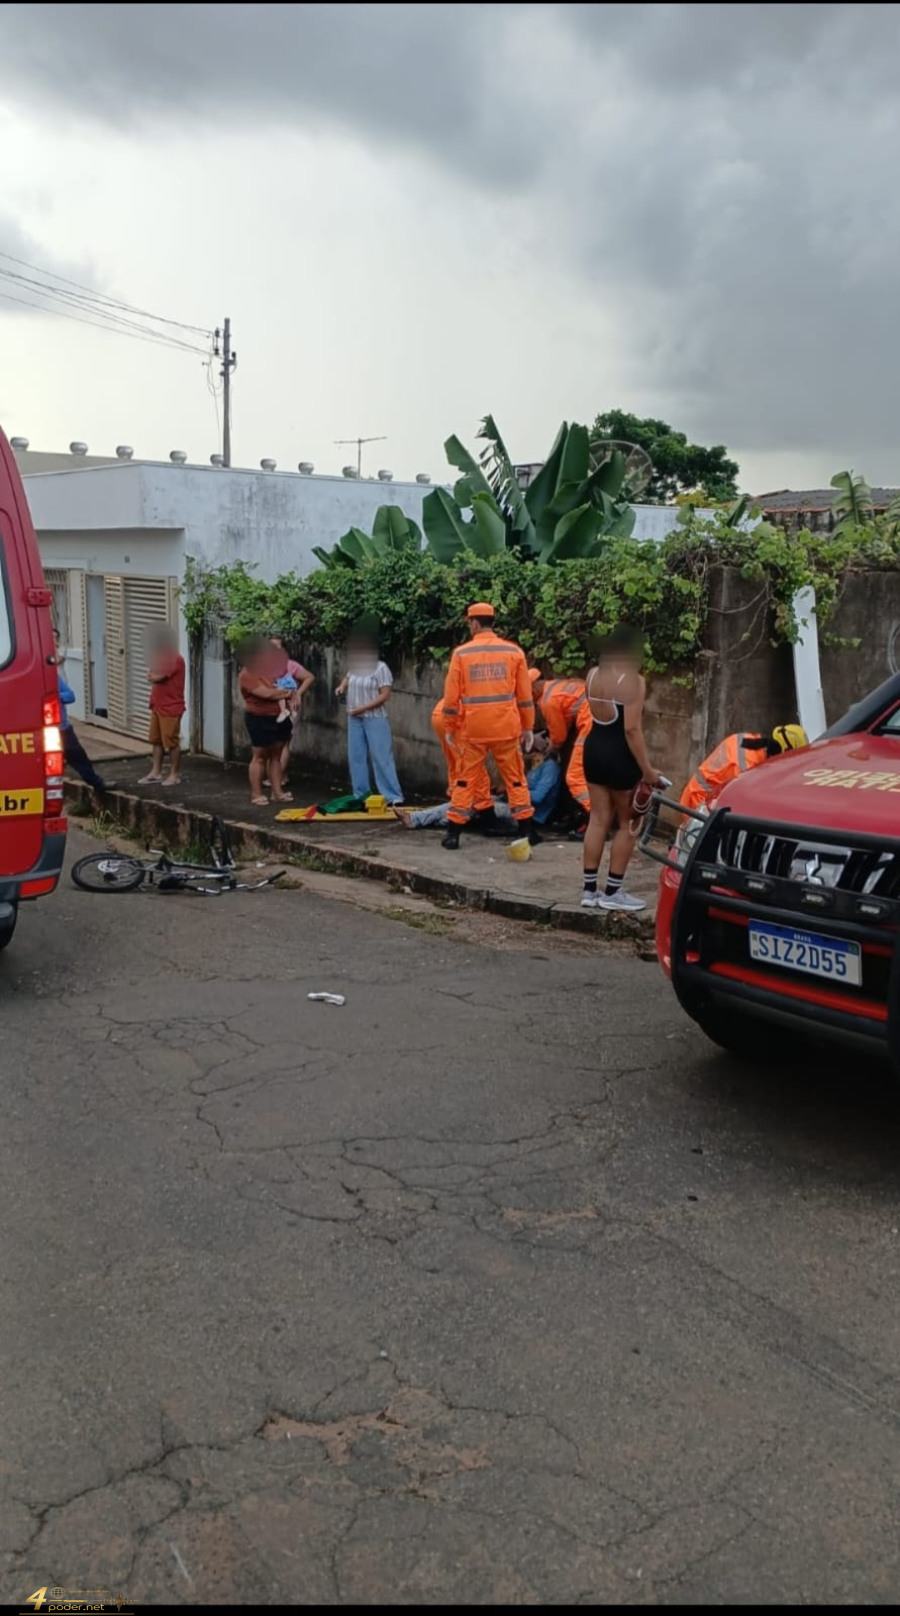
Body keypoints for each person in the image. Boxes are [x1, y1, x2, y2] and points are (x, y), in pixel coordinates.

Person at [440, 602, 538, 851]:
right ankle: (527, 831)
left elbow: (451, 699)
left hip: (473, 729)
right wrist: (528, 727)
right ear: (493, 622)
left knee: (465, 780)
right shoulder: (514, 652)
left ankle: (453, 834)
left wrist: (450, 727)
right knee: (515, 779)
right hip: (506, 727)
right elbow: (525, 696)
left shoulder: (461, 654)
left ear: (474, 623)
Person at [580, 625, 665, 912]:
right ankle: (613, 892)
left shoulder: (592, 675)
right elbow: (631, 729)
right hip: (620, 755)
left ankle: (589, 890)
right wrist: (648, 771)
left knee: (597, 819)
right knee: (629, 824)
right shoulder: (633, 682)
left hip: (593, 750)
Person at [395, 740, 560, 831]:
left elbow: (537, 797)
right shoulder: (532, 765)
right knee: (472, 802)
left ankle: (420, 820)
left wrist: (510, 791)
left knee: (474, 807)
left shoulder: (549, 768)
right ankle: (423, 819)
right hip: (512, 803)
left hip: (527, 815)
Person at [335, 633, 404, 804]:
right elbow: (348, 677)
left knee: (381, 757)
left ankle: (392, 796)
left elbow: (385, 695)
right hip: (355, 718)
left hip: (374, 717)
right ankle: (361, 794)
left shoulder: (381, 668)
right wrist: (341, 687)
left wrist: (363, 708)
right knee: (356, 756)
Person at [680, 725, 809, 811]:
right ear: (783, 751)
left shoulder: (747, 739)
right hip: (698, 802)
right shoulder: (746, 767)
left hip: (696, 794)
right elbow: (743, 804)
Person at [238, 636, 294, 806]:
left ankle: (277, 792)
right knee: (260, 756)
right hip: (258, 718)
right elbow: (267, 693)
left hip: (278, 716)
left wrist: (283, 691)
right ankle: (256, 794)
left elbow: (287, 686)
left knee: (276, 755)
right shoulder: (247, 674)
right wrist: (284, 692)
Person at [531, 669, 592, 822]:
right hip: (605, 717)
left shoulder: (547, 701)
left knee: (574, 777)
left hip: (591, 722)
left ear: (532, 690)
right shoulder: (559, 685)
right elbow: (567, 715)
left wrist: (551, 750)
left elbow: (559, 737)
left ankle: (596, 820)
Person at [56, 637, 109, 794]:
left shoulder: (52, 678)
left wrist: (55, 697)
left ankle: (98, 784)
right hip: (39, 731)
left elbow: (71, 696)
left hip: (62, 728)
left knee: (78, 757)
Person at [139, 625, 185, 787]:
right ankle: (156, 772)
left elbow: (157, 677)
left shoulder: (175, 659)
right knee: (156, 740)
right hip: (157, 705)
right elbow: (151, 675)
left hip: (171, 707)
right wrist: (153, 675)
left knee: (171, 742)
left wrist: (153, 675)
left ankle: (174, 774)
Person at [431, 697, 492, 815]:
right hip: (458, 717)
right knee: (471, 767)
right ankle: (483, 811)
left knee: (456, 764)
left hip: (443, 712)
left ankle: (456, 802)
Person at [268, 635, 314, 788]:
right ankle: (282, 776)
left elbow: (309, 677)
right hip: (272, 707)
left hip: (289, 707)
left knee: (283, 743)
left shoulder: (290, 665)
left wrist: (299, 693)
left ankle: (277, 778)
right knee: (273, 743)